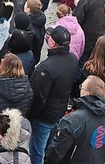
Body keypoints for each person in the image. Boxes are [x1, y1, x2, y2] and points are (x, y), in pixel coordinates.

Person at [28, 26, 78, 164]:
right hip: (60, 112)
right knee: (51, 149)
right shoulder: (73, 59)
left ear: (53, 43)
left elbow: (38, 97)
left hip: (44, 117)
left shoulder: (46, 68)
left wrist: (31, 115)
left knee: (37, 152)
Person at [43, 75, 105, 164]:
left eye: (81, 87)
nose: (80, 89)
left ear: (86, 93)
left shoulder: (72, 120)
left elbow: (55, 152)